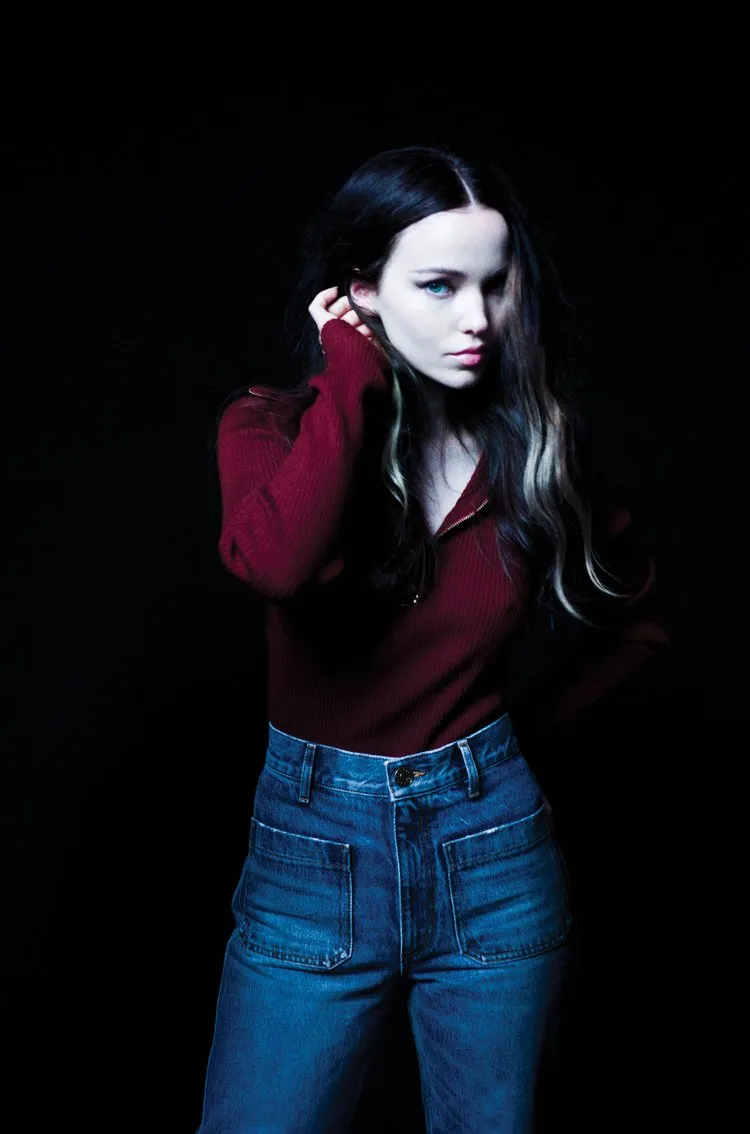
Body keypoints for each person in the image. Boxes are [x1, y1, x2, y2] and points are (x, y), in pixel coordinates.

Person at [197, 144, 670, 1133]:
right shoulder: (268, 430)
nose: (478, 318)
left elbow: (640, 624)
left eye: (495, 284)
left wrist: (509, 748)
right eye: (440, 285)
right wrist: (353, 371)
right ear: (361, 289)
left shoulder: (534, 448)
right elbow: (277, 564)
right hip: (312, 865)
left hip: (492, 856)